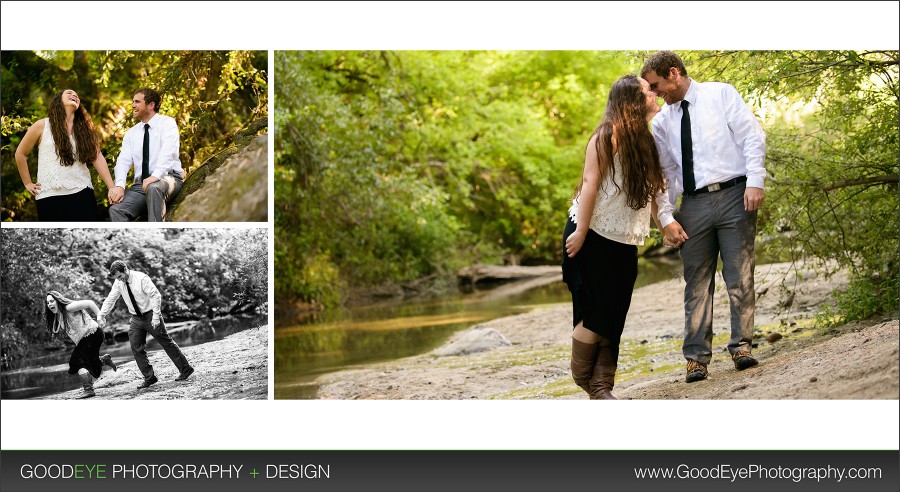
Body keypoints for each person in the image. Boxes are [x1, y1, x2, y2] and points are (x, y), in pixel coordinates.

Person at [641, 51, 767, 383]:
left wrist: (755, 180)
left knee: (740, 275)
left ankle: (742, 347)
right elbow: (665, 173)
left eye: (656, 86)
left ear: (673, 74)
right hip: (693, 205)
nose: (654, 95)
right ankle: (696, 358)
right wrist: (666, 218)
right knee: (696, 282)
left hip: (735, 194)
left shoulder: (721, 93)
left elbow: (751, 136)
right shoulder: (662, 122)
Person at [562, 74, 667, 399]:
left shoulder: (645, 141)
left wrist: (665, 226)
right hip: (591, 233)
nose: (654, 92)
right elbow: (590, 184)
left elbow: (654, 190)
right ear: (633, 101)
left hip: (625, 240)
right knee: (596, 312)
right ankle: (585, 378)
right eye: (648, 90)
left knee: (615, 313)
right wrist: (580, 232)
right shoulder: (606, 136)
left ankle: (602, 388)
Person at [14, 89, 117, 221]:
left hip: (82, 193)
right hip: (49, 196)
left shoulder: (86, 129)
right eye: (69, 93)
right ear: (58, 100)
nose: (74, 95)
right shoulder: (41, 125)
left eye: (76, 95)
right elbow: (20, 153)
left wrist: (111, 188)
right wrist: (27, 183)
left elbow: (97, 157)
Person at [98, 260, 194, 389]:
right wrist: (102, 314)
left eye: (120, 276)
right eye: (117, 278)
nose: (119, 280)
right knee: (135, 346)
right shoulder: (118, 282)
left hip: (150, 314)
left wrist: (156, 316)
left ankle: (185, 369)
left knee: (166, 342)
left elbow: (155, 295)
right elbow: (111, 298)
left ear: (125, 270)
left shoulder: (141, 278)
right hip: (136, 318)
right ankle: (150, 377)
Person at [108, 88, 184, 222]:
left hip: (168, 178)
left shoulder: (167, 123)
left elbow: (168, 151)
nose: (133, 105)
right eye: (133, 102)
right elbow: (123, 161)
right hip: (141, 186)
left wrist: (156, 176)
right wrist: (120, 185)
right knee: (116, 210)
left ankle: (155, 236)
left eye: (137, 102)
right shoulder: (131, 133)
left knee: (154, 188)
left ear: (151, 105)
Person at [45, 290, 118, 399]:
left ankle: (88, 389)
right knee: (85, 361)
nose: (50, 304)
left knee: (76, 362)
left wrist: (100, 316)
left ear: (58, 300)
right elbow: (73, 333)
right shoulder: (58, 316)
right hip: (85, 339)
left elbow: (89, 303)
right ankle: (103, 360)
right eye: (48, 303)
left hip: (93, 333)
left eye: (52, 301)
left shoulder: (68, 307)